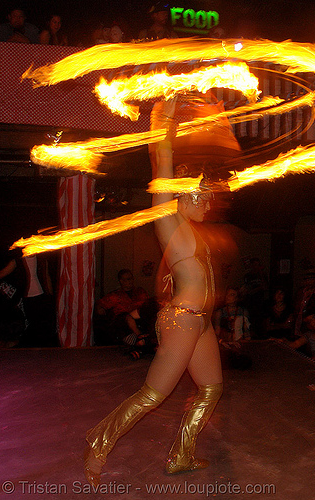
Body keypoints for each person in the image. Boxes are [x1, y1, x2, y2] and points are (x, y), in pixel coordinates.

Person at [84, 99, 223, 485]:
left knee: (211, 388)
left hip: (202, 323)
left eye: (210, 195)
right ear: (181, 192)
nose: (209, 202)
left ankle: (182, 455)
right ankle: (99, 442)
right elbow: (161, 159)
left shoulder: (195, 230)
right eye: (202, 194)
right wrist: (164, 117)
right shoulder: (169, 221)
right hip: (181, 321)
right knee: (153, 394)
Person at [94, 268, 149, 347]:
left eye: (131, 278)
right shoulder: (115, 295)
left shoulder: (140, 291)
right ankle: (138, 337)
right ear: (121, 281)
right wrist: (100, 310)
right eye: (127, 279)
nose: (130, 281)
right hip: (123, 323)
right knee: (125, 317)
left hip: (140, 318)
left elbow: (147, 303)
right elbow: (100, 305)